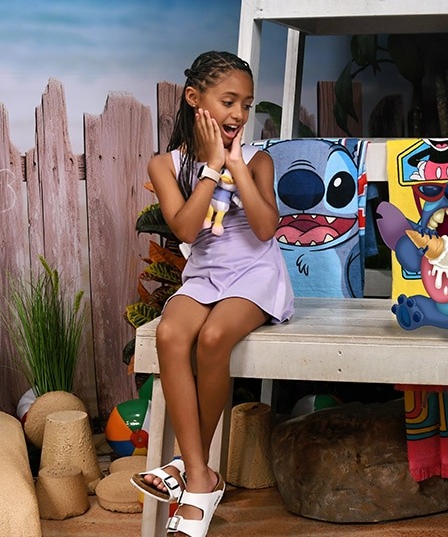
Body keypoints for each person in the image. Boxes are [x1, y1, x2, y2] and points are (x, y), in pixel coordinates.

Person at [131, 51, 294, 537]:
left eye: (246, 104)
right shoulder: (166, 165)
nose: (239, 114)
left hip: (254, 275)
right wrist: (209, 169)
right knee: (170, 335)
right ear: (194, 99)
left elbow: (266, 229)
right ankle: (201, 475)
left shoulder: (259, 159)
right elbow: (184, 225)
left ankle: (186, 468)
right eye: (228, 101)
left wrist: (236, 165)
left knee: (214, 337)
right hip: (205, 274)